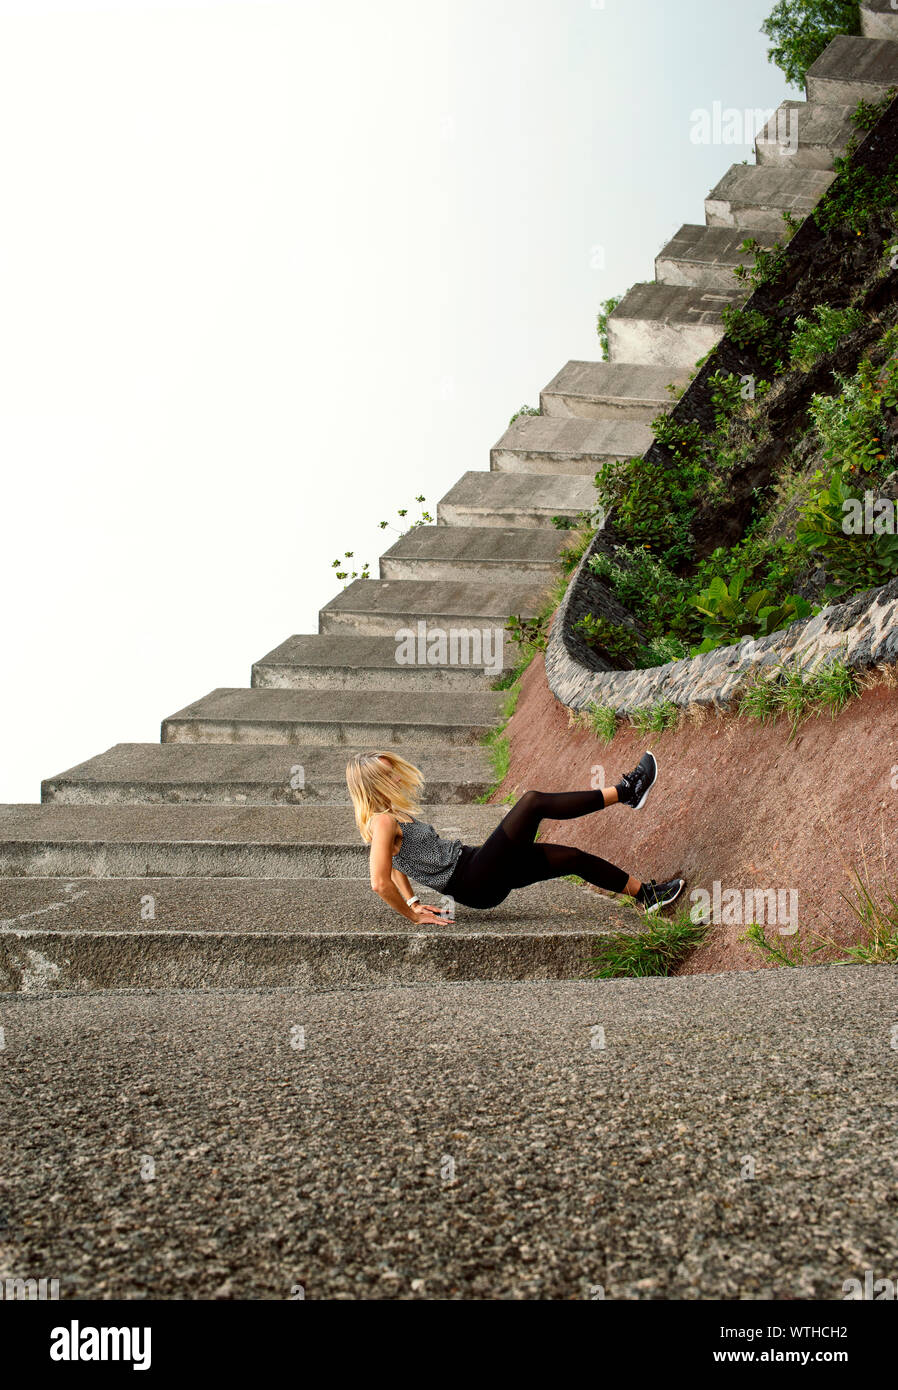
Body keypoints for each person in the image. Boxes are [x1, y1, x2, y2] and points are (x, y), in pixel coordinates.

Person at [345, 750, 685, 926]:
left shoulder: (384, 822)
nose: (398, 779)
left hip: (476, 870)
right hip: (473, 878)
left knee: (572, 859)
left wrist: (412, 900)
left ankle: (647, 896)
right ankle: (627, 791)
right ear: (375, 785)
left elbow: (394, 866)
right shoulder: (383, 821)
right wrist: (414, 915)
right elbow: (379, 880)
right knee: (532, 802)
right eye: (390, 776)